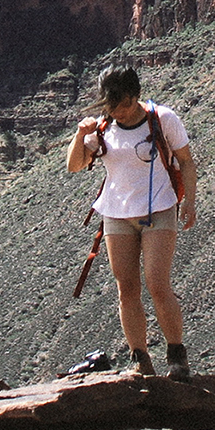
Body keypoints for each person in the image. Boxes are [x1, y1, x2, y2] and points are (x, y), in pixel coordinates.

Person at [67, 65, 197, 379]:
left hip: (159, 209)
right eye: (112, 107)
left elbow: (187, 161)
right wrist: (80, 134)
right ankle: (140, 358)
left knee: (157, 283)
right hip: (116, 214)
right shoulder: (102, 130)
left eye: (124, 105)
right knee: (127, 288)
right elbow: (74, 166)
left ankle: (176, 356)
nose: (119, 113)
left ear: (135, 96)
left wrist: (189, 201)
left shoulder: (162, 119)